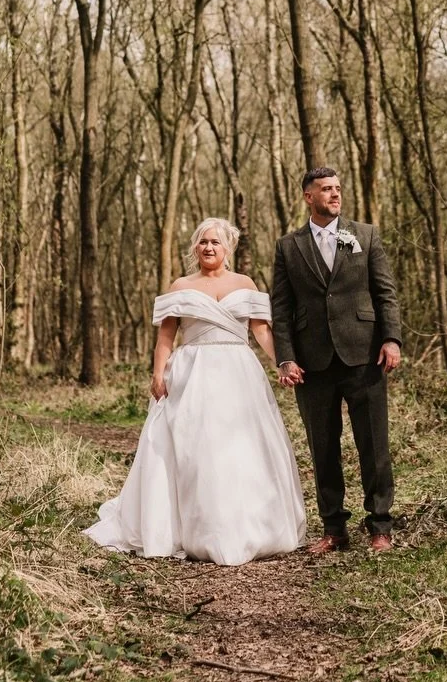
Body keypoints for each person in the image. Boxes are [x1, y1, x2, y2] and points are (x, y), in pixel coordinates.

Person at [84, 217, 307, 565]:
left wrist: (283, 362)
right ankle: (198, 529)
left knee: (242, 446)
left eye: (215, 242)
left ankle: (251, 525)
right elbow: (166, 336)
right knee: (195, 448)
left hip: (238, 372)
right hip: (193, 372)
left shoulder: (245, 283)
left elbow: (261, 331)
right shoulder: (181, 286)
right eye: (203, 242)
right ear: (195, 248)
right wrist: (158, 374)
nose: (208, 247)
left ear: (227, 248)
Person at [271, 166, 402, 554]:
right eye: (326, 189)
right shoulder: (288, 247)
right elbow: (281, 308)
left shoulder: (365, 235)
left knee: (373, 444)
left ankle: (380, 526)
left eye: (338, 188)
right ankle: (334, 529)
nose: (335, 194)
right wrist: (285, 358)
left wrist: (391, 339)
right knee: (323, 448)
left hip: (364, 355)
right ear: (308, 196)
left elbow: (385, 293)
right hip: (312, 362)